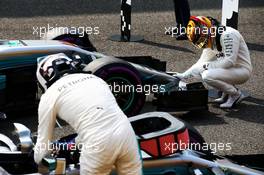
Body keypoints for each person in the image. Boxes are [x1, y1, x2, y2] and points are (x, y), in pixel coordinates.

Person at [34, 53, 142, 174]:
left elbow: (42, 148)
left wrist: (35, 160)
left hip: (97, 144)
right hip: (127, 135)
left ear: (45, 78)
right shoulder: (97, 80)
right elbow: (101, 119)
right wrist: (74, 143)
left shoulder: (49, 96)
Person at [175, 16, 252, 108]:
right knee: (204, 70)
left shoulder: (228, 35)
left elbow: (229, 62)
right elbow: (201, 62)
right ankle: (227, 93)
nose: (202, 41)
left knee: (207, 75)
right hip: (231, 69)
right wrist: (183, 75)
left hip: (242, 71)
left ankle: (235, 94)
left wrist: (205, 66)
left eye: (201, 37)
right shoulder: (211, 36)